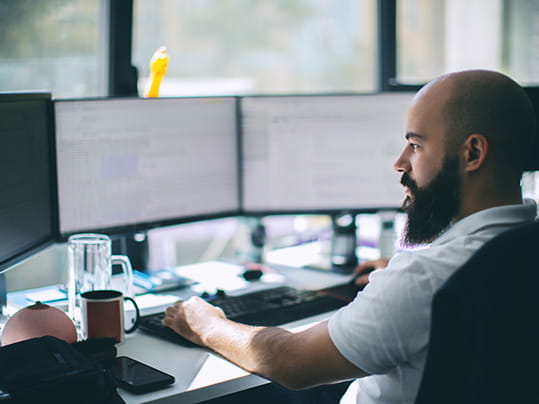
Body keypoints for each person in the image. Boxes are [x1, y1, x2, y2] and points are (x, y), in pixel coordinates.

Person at [162, 70, 537, 404]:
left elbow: (291, 362)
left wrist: (203, 323)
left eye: (417, 145)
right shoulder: (517, 249)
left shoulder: (425, 279)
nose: (400, 162)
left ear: (472, 153)